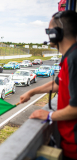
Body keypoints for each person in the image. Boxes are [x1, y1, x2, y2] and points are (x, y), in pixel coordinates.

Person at [19, 10, 77, 160]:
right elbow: (57, 85)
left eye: (49, 30)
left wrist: (49, 115)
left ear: (56, 33)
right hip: (67, 143)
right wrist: (31, 92)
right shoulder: (69, 57)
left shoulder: (74, 59)